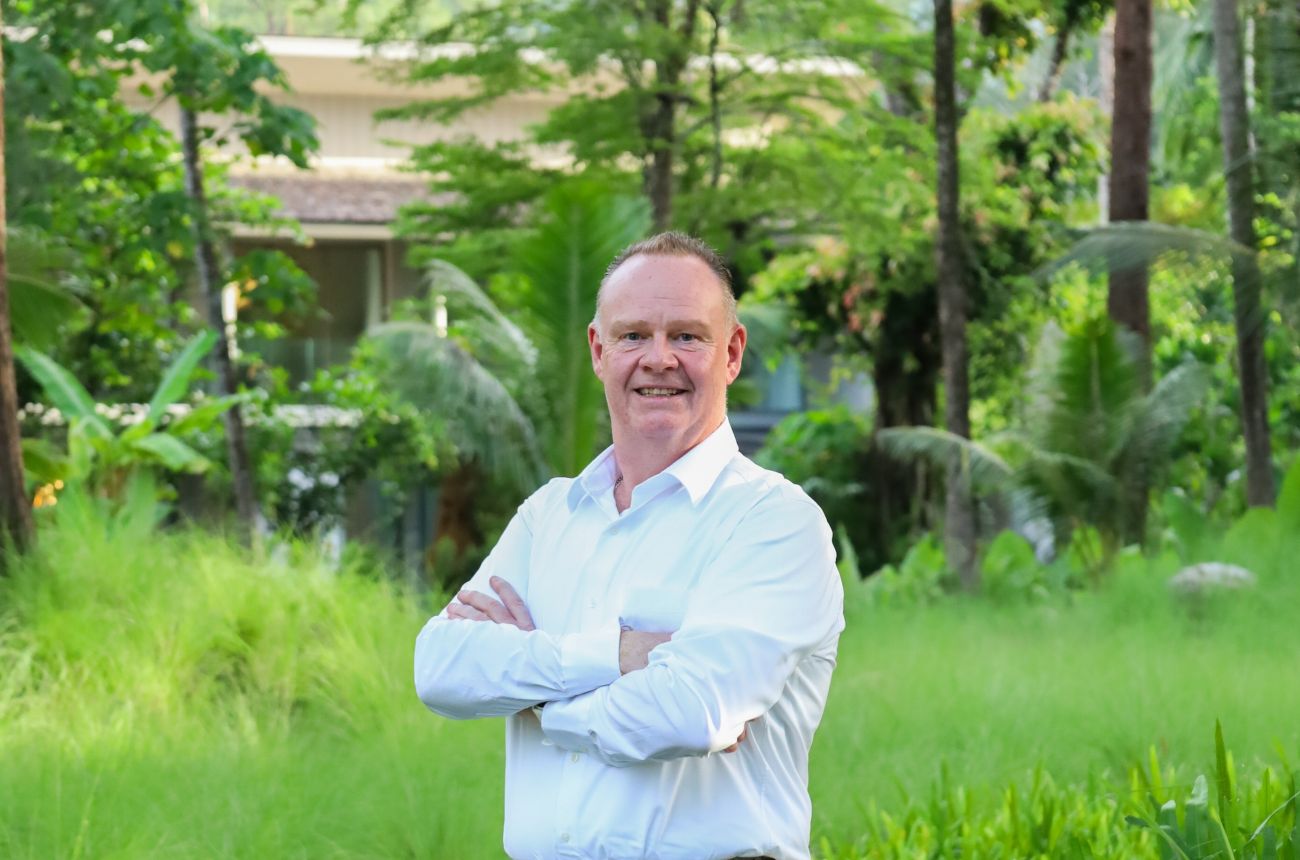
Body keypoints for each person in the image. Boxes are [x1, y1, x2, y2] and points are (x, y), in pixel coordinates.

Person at [414, 232, 844, 860]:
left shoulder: (774, 522)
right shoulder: (549, 514)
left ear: (732, 352)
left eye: (687, 336)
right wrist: (621, 655)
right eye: (634, 334)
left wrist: (536, 699)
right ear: (598, 349)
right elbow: (441, 666)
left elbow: (690, 712)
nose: (659, 358)